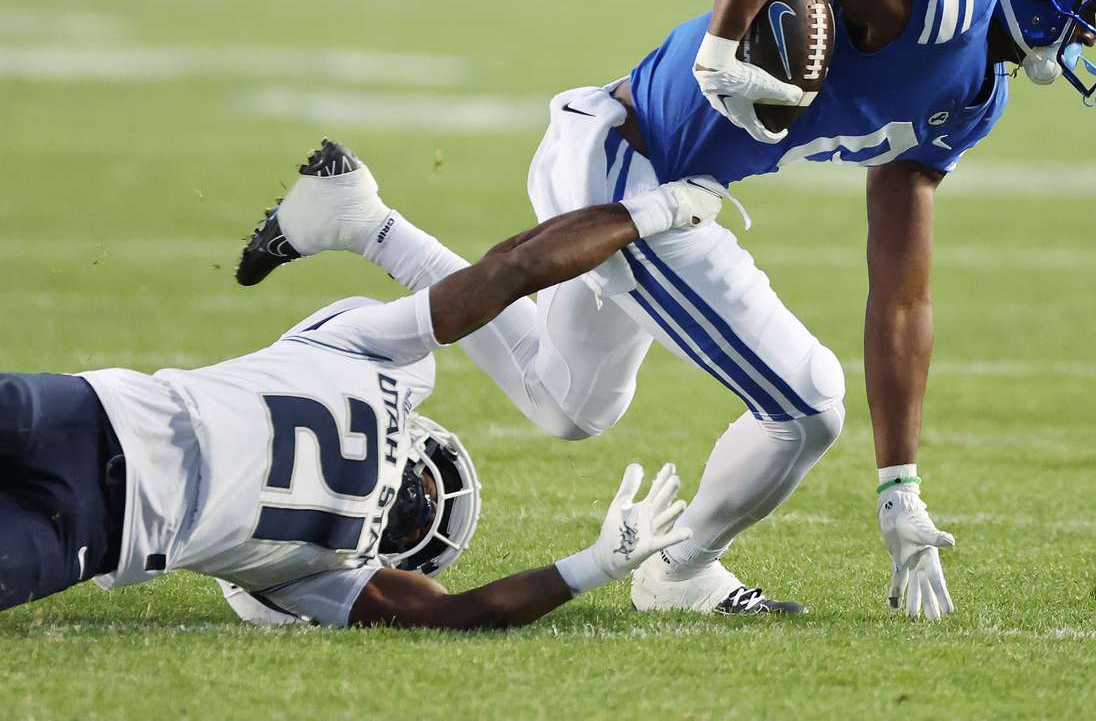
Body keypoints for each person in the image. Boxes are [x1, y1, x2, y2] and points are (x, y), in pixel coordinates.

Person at [251, 0, 1096, 621]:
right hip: (636, 172)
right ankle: (680, 571)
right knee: (806, 403)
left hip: (638, 167)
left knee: (569, 406)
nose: (1088, 29)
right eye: (1086, 2)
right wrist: (722, 45)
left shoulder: (973, 98)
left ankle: (357, 217)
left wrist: (899, 482)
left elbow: (902, 293)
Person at [0, 140, 729, 628]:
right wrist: (594, 565)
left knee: (554, 380)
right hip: (98, 528)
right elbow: (456, 615)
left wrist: (652, 212)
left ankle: (360, 218)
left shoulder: (384, 370)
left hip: (88, 417)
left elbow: (508, 273)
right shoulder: (323, 574)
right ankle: (358, 218)